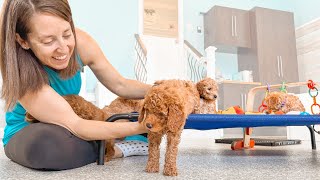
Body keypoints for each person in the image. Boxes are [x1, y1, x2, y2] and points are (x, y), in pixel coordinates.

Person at [0, 0, 151, 170]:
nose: (63, 48)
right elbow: (76, 125)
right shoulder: (23, 73)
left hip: (71, 126)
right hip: (30, 133)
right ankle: (116, 149)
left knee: (80, 134)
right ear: (23, 41)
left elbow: (120, 84)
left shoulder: (82, 42)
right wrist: (142, 126)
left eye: (67, 34)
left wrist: (162, 91)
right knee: (47, 146)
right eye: (48, 41)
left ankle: (110, 143)